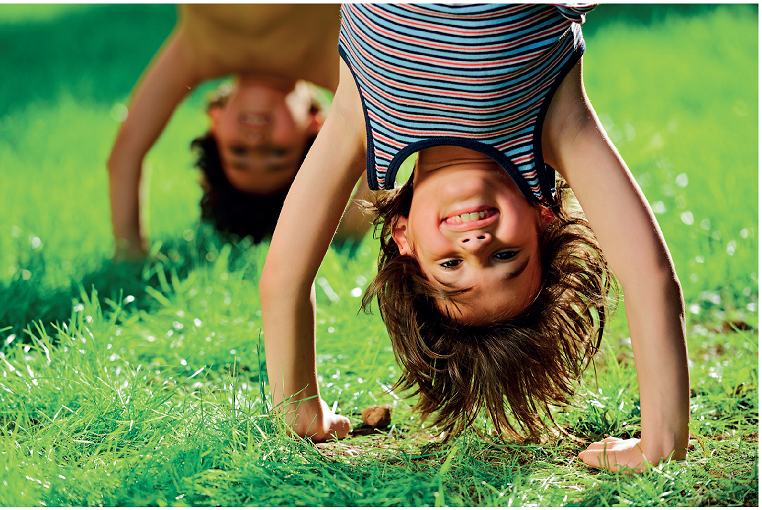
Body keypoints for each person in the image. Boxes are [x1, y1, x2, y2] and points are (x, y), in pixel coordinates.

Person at [259, 4, 690, 473]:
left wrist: (298, 408)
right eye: (506, 255)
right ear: (542, 218)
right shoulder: (557, 125)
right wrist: (661, 442)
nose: (475, 245)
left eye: (450, 267)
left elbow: (285, 276)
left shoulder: (358, 119)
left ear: (404, 239)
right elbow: (651, 279)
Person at [108, 4, 371, 260]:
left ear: (216, 122)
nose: (255, 140)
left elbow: (125, 155)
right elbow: (382, 157)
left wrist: (129, 252)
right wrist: (346, 231)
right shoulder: (335, 61)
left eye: (238, 151)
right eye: (278, 153)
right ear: (317, 126)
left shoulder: (198, 50)